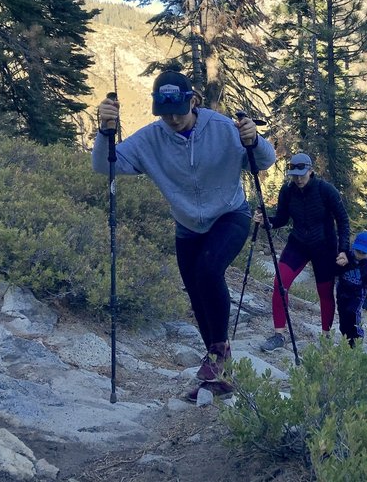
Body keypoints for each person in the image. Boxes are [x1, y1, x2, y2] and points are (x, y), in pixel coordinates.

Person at [92, 70, 275, 400]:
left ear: (194, 101)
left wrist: (254, 138)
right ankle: (219, 375)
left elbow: (262, 160)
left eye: (178, 109)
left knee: (208, 271)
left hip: (230, 215)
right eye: (164, 111)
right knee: (196, 294)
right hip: (187, 226)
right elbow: (107, 165)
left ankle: (218, 359)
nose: (173, 118)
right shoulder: (151, 139)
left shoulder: (221, 129)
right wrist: (105, 132)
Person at [254, 153, 350, 351]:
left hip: (324, 247)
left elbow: (343, 220)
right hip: (297, 244)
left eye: (302, 174)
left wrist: (343, 251)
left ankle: (325, 337)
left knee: (324, 293)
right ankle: (278, 335)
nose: (298, 178)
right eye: (294, 174)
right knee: (280, 283)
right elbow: (280, 219)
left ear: (310, 171)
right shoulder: (288, 192)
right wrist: (266, 221)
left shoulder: (326, 190)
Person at [335, 231, 367, 347]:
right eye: (358, 251)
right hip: (342, 292)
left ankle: (356, 341)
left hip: (358, 295)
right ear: (354, 247)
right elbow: (335, 271)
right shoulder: (345, 256)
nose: (360, 255)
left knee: (353, 316)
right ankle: (346, 339)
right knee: (343, 318)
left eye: (364, 253)